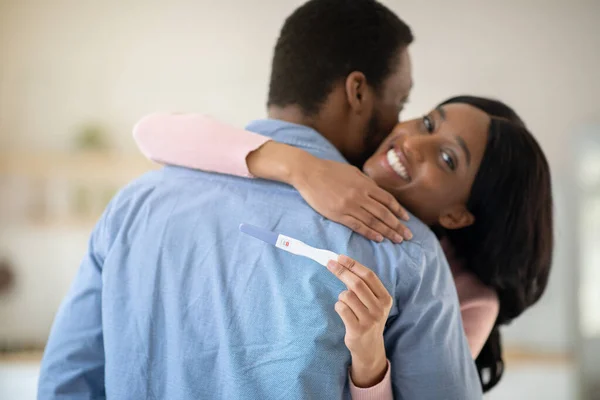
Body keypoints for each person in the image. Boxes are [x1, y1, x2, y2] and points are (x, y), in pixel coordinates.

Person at [38, 1, 483, 399]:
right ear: (358, 92)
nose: (397, 125)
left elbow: (65, 381)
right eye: (399, 102)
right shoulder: (402, 245)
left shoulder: (134, 204)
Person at [133, 96, 554, 395]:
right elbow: (151, 132)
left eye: (447, 159)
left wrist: (369, 361)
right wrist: (301, 168)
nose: (412, 142)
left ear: (458, 215)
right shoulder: (330, 172)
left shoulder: (464, 293)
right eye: (427, 122)